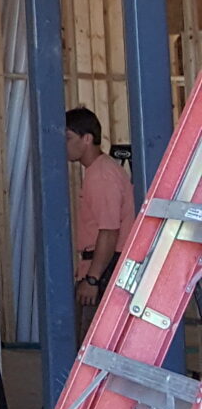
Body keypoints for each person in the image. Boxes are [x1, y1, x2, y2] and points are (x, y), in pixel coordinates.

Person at [65, 106, 134, 327]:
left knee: (92, 344)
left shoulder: (102, 176)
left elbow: (109, 231)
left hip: (104, 272)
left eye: (68, 138)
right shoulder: (100, 171)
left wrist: (93, 279)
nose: (63, 145)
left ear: (87, 139)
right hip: (102, 268)